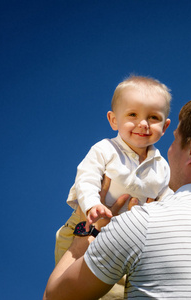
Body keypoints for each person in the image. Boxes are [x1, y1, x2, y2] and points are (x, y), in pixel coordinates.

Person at [44, 92, 191, 300]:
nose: (169, 150)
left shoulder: (142, 223)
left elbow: (55, 298)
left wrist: (90, 230)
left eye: (174, 139)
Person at [54, 75, 172, 298]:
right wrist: (92, 205)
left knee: (115, 293)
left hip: (126, 239)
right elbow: (86, 178)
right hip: (86, 227)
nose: (143, 123)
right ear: (114, 120)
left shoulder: (162, 166)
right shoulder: (105, 149)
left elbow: (167, 196)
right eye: (132, 115)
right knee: (73, 287)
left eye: (153, 117)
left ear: (165, 126)